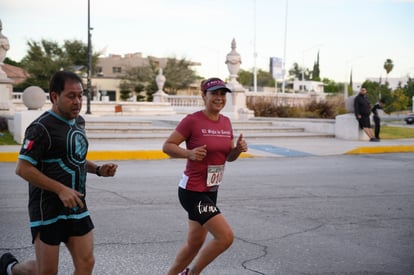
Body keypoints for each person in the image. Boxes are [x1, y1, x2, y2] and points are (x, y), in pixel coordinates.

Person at [0, 71, 118, 275]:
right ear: (55, 97)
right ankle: (11, 268)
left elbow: (74, 157)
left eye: (81, 95)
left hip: (76, 206)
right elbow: (23, 168)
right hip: (48, 209)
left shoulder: (79, 122)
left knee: (86, 263)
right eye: (71, 96)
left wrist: (98, 169)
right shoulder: (41, 128)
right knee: (46, 271)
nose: (78, 101)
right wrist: (60, 189)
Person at [163, 77, 248, 275]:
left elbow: (228, 157)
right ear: (203, 96)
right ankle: (192, 273)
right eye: (214, 94)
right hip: (192, 190)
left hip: (211, 190)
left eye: (222, 94)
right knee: (225, 237)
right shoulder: (192, 120)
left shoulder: (226, 122)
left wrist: (238, 150)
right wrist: (188, 153)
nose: (219, 98)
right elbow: (167, 146)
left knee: (194, 244)